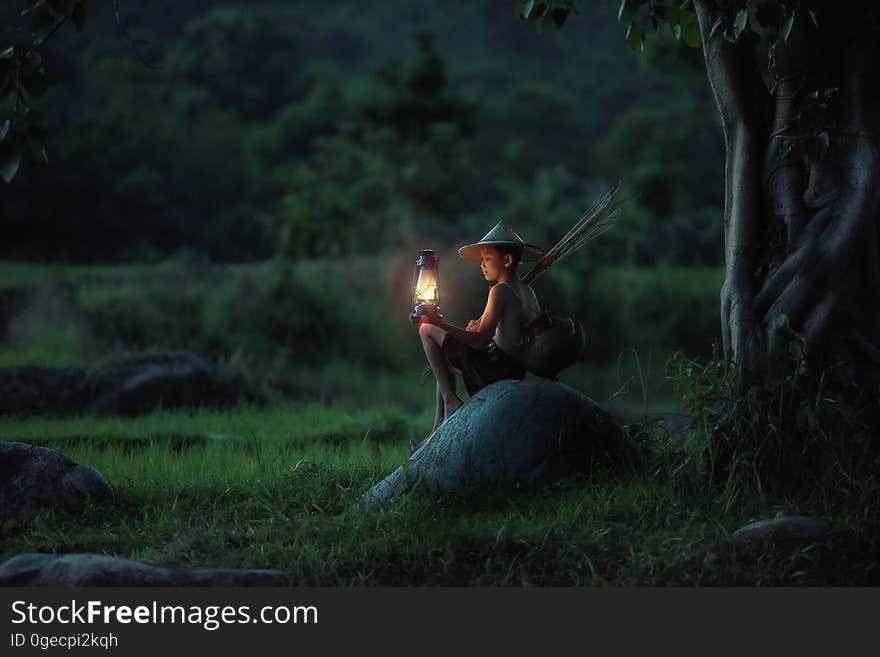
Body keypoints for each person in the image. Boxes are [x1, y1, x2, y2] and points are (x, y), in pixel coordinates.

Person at [412, 221, 544, 453]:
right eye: (481, 259)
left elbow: (480, 342)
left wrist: (439, 323)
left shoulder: (499, 291)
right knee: (444, 368)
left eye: (487, 259)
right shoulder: (528, 291)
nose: (482, 265)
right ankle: (436, 430)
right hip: (513, 368)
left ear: (507, 261)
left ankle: (452, 403)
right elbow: (511, 332)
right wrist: (480, 327)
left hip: (495, 370)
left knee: (425, 330)